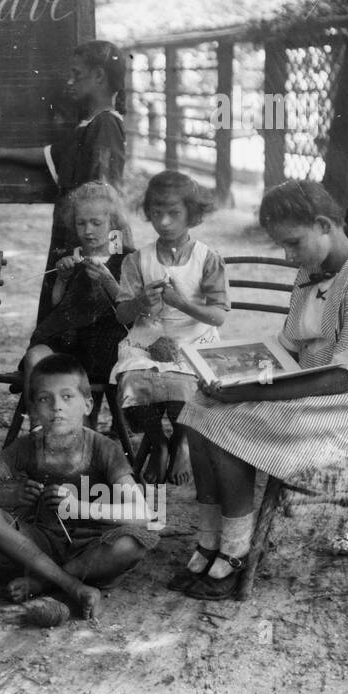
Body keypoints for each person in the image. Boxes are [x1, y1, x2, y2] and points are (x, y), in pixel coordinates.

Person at [173, 181, 348, 601]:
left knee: (227, 419)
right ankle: (210, 539)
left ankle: (235, 551)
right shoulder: (313, 271)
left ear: (324, 225)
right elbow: (288, 345)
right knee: (201, 406)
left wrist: (253, 393)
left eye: (292, 243)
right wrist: (231, 373)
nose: (288, 256)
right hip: (315, 383)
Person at [0, 353, 158, 626]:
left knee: (131, 544)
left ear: (87, 404)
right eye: (45, 399)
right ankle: (72, 586)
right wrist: (8, 495)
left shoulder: (104, 448)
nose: (57, 407)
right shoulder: (25, 447)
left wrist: (79, 507)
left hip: (93, 548)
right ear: (33, 410)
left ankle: (44, 580)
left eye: (67, 397)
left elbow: (142, 513)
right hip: (40, 544)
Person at [0, 40, 128, 322]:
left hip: (90, 234)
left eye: (77, 74)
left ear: (99, 76)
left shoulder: (106, 125)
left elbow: (105, 188)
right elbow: (51, 154)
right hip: (75, 230)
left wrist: (95, 240)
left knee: (85, 303)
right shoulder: (88, 125)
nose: (70, 81)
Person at [111, 171, 229, 485]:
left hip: (195, 339)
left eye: (174, 213)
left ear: (192, 214)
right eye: (157, 213)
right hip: (147, 339)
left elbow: (218, 316)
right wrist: (139, 303)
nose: (164, 222)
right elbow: (122, 314)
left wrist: (181, 303)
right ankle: (158, 442)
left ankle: (184, 442)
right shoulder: (137, 260)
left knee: (185, 386)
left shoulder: (208, 259)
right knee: (134, 381)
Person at [22, 180, 134, 390]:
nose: (88, 231)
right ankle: (36, 419)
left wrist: (107, 281)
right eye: (80, 223)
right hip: (68, 342)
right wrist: (63, 278)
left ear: (113, 222)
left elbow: (132, 311)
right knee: (35, 357)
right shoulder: (71, 257)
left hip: (107, 346)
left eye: (96, 223)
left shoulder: (127, 258)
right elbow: (57, 306)